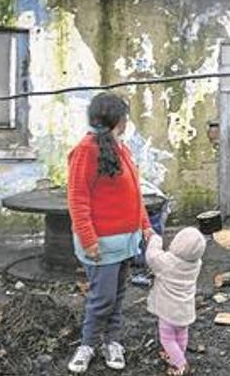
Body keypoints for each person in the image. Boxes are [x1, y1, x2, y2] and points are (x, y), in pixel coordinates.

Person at [67, 93, 153, 373]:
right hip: (101, 243)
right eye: (125, 116)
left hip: (125, 241)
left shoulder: (120, 148)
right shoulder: (85, 150)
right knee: (101, 298)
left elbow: (134, 194)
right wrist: (89, 239)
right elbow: (77, 199)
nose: (127, 121)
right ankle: (88, 344)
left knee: (117, 295)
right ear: (116, 119)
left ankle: (112, 342)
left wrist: (145, 226)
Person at [146, 227, 207, 376]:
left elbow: (151, 256)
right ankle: (176, 356)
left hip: (168, 312)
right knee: (181, 335)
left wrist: (155, 238)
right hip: (185, 311)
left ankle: (180, 364)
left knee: (167, 339)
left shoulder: (167, 263)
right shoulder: (195, 264)